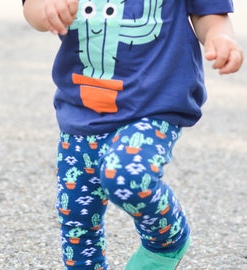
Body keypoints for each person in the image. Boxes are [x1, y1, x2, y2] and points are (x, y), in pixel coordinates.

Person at [22, 0, 243, 269]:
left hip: (153, 101)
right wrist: (43, 9)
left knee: (127, 173)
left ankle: (166, 239)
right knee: (77, 220)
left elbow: (208, 12)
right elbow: (31, 8)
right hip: (81, 107)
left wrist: (218, 36)